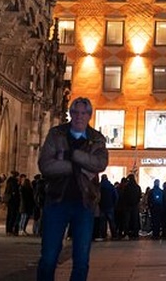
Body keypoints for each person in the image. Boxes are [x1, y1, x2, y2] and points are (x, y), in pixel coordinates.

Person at [37, 97, 109, 281]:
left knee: (81, 259)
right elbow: (45, 165)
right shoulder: (56, 134)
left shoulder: (96, 139)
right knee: (49, 257)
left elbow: (100, 163)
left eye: (83, 113)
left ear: (89, 115)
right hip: (56, 201)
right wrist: (79, 167)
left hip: (84, 203)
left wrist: (72, 155)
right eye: (75, 112)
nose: (79, 116)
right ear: (70, 113)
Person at [98, 174, 118, 240]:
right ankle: (114, 235)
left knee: (102, 222)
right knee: (112, 222)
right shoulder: (111, 186)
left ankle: (103, 235)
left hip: (101, 207)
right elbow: (116, 196)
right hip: (110, 206)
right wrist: (114, 204)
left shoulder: (99, 186)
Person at [4, 170, 21, 236]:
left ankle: (8, 230)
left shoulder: (9, 181)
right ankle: (11, 230)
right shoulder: (14, 182)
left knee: (9, 215)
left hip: (9, 201)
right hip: (13, 201)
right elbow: (15, 192)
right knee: (13, 216)